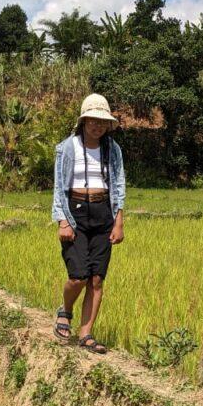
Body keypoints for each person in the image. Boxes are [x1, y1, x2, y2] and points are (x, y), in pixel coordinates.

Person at [51, 94, 125, 354]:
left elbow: (118, 185)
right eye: (92, 121)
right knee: (78, 276)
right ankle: (66, 309)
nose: (97, 126)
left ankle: (86, 334)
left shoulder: (112, 149)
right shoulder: (67, 148)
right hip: (76, 214)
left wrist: (119, 222)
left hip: (103, 213)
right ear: (83, 122)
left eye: (102, 122)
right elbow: (59, 188)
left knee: (96, 279)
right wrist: (63, 221)